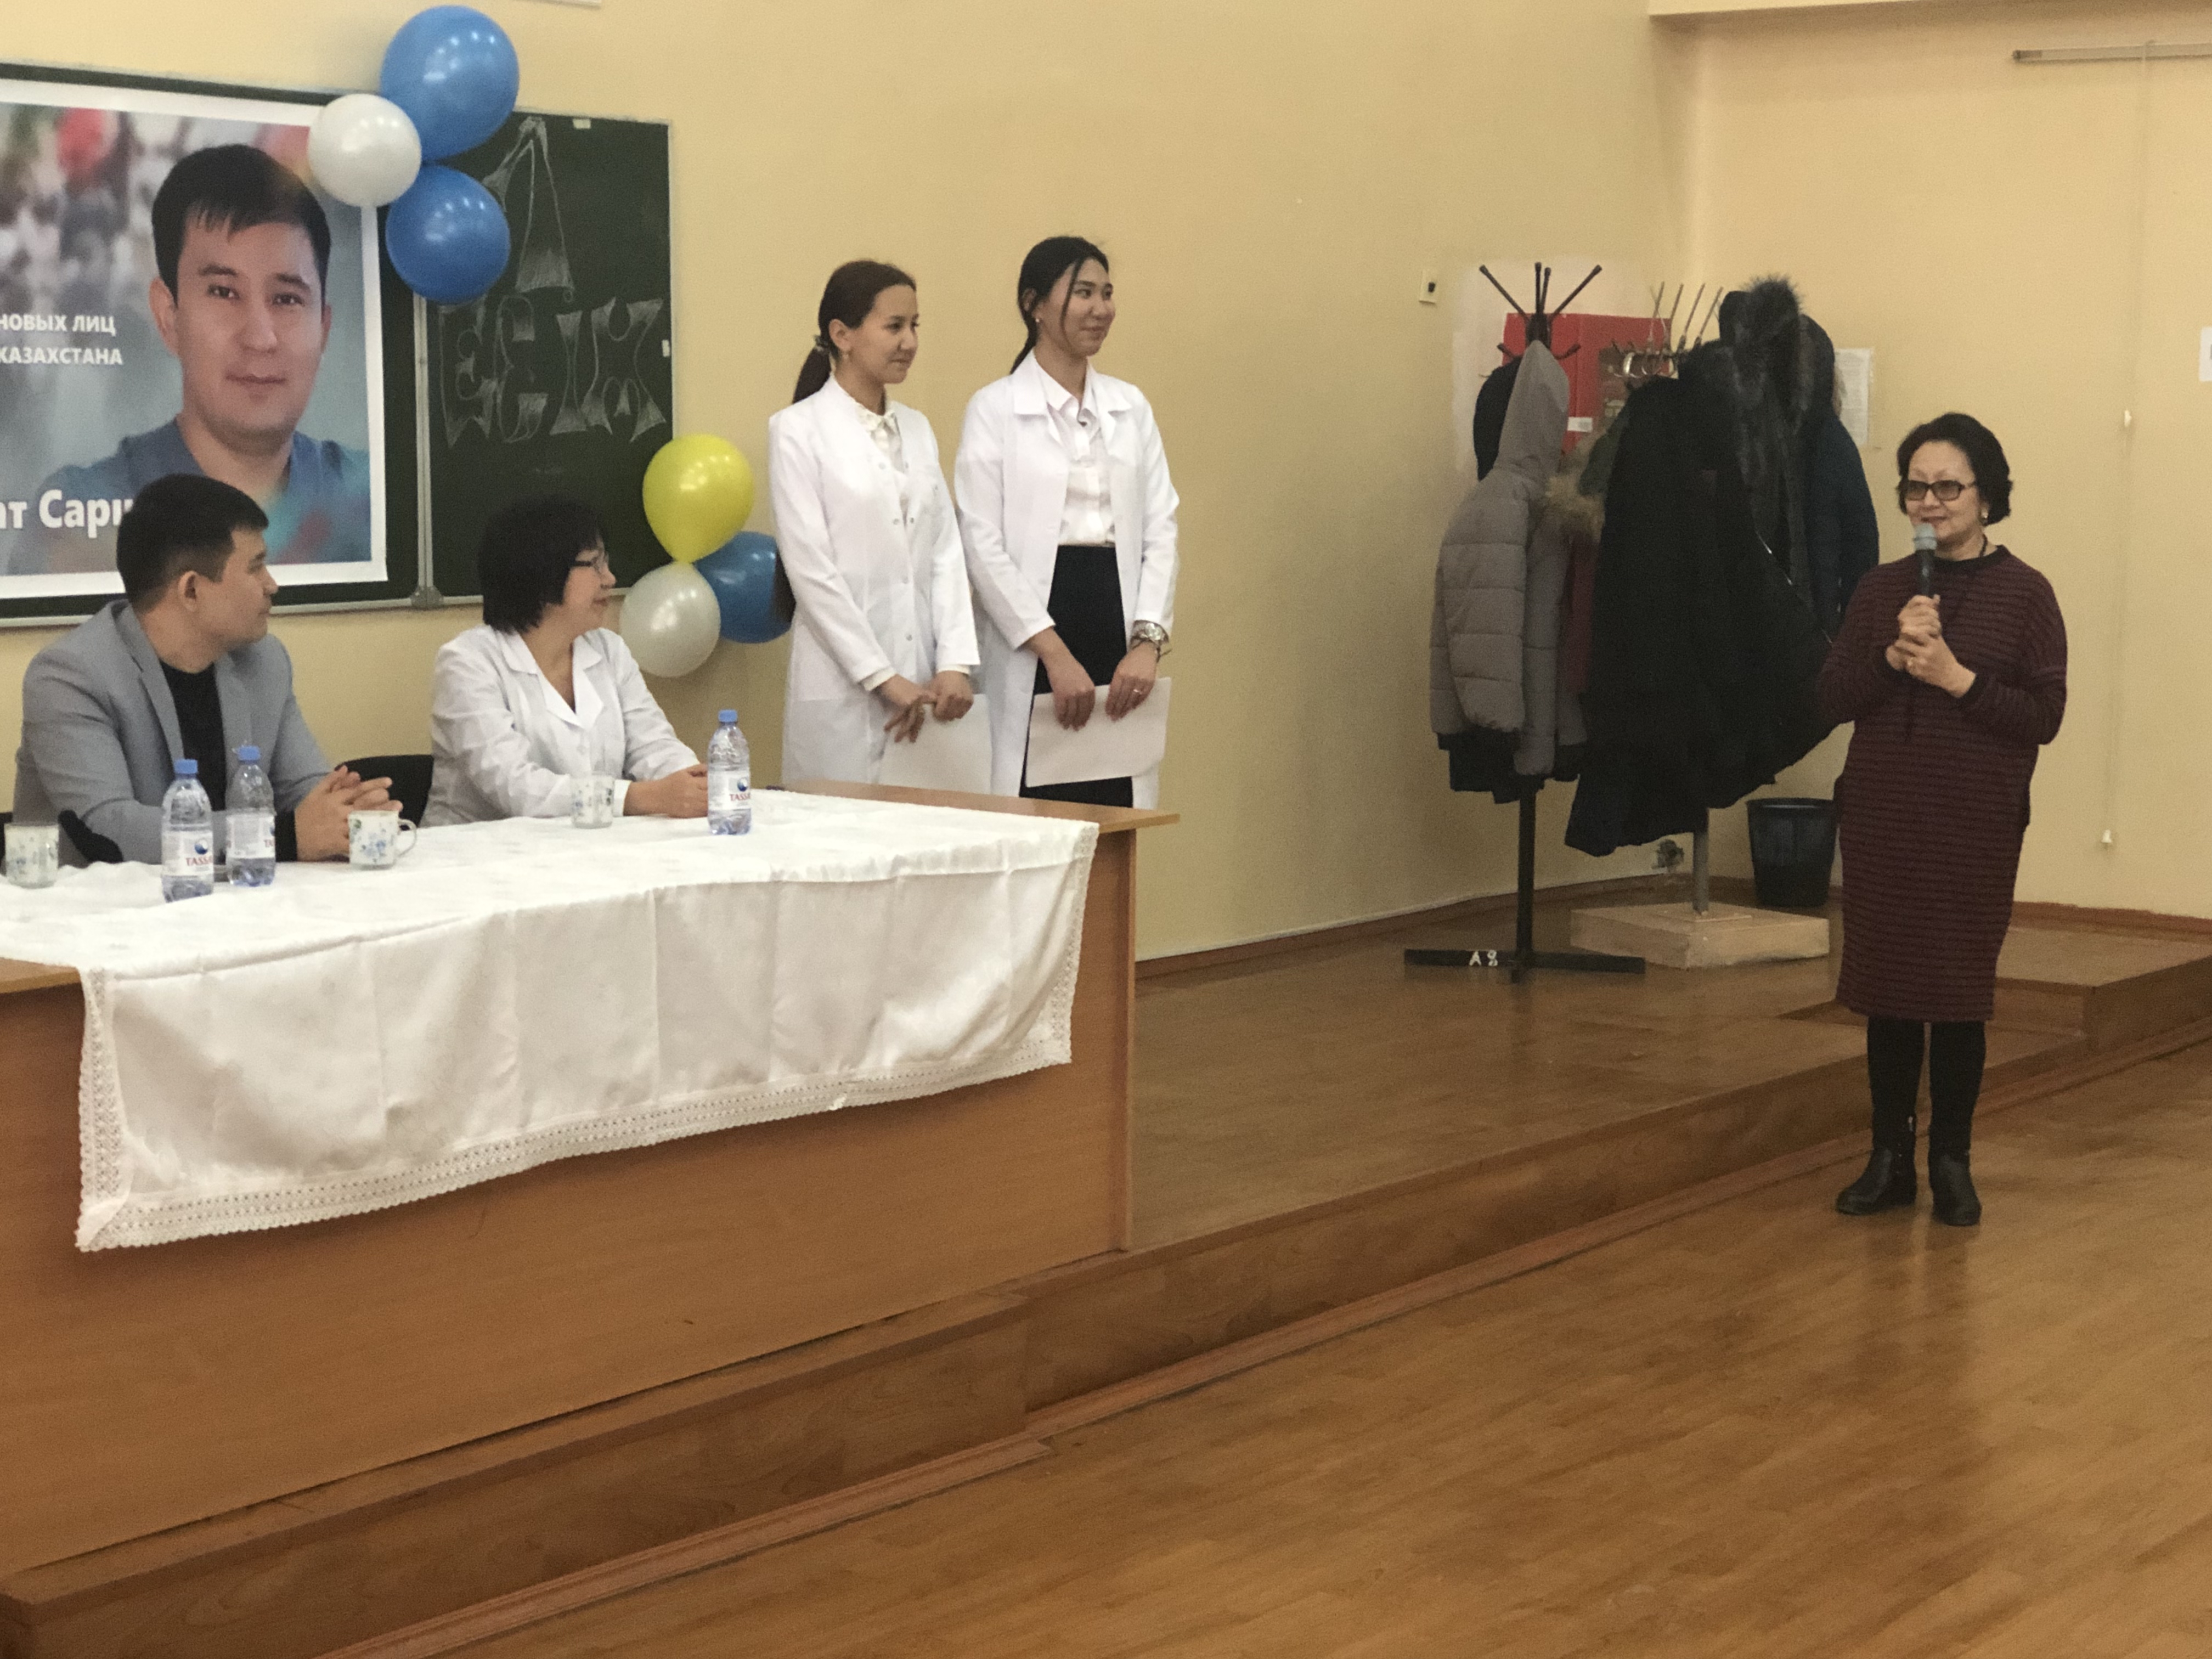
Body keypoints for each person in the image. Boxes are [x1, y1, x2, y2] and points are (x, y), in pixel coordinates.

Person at [1818, 414, 2067, 1227]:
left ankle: (1951, 1162)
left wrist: (1958, 678)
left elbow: (2045, 716)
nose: (1929, 503)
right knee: (1888, 991)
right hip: (1884, 817)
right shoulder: (1880, 589)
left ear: (1987, 496)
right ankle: (1888, 1159)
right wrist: (1892, 660)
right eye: (1916, 488)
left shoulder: (2027, 594)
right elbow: (1831, 698)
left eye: (1948, 487)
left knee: (1957, 995)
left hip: (1973, 825)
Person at [10, 143, 372, 575]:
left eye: (287, 299)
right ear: (169, 317)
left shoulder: (371, 496)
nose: (261, 338)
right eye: (224, 292)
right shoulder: (79, 512)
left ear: (324, 328)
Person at [13, 472, 392, 864]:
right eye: (256, 567)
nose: (272, 585)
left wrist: (345, 811)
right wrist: (280, 836)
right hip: (99, 899)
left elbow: (303, 791)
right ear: (192, 590)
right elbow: (110, 829)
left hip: (236, 893)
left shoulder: (264, 661)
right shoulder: (69, 677)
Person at [956, 236, 1180, 808]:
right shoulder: (994, 408)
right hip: (1035, 632)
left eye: (1107, 293)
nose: (1100, 308)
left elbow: (1161, 527)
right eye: (1083, 293)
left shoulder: (1130, 406)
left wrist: (1147, 643)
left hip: (1118, 628)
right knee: (1034, 809)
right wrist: (1053, 655)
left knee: (1117, 804)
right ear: (1034, 304)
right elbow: (981, 544)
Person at [767, 261, 978, 783]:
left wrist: (954, 662)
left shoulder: (918, 428)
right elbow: (811, 570)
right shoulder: (797, 430)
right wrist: (882, 676)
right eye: (894, 327)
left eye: (915, 326)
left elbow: (945, 551)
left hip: (924, 682)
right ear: (843, 335)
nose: (910, 342)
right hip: (843, 688)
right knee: (843, 826)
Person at [424, 495, 707, 825]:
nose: (610, 579)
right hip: (477, 851)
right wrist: (640, 797)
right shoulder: (468, 662)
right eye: (595, 564)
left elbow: (654, 744)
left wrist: (693, 783)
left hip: (588, 843)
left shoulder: (609, 649)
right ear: (543, 571)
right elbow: (516, 788)